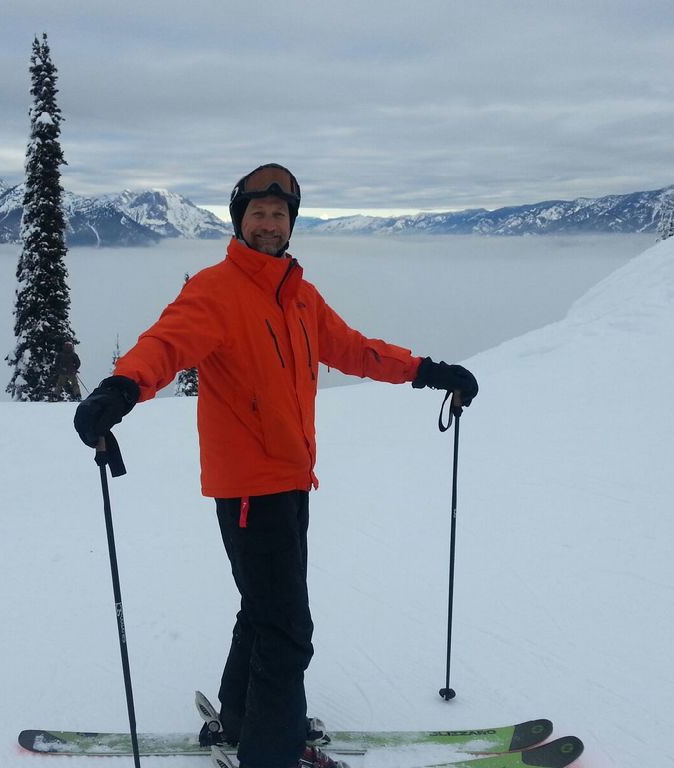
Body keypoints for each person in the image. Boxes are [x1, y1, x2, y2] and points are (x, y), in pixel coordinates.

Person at [73, 163, 478, 768]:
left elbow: (355, 348)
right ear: (240, 221)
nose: (270, 223)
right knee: (289, 631)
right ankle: (272, 752)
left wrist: (428, 372)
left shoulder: (298, 295)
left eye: (280, 214)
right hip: (247, 489)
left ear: (291, 225)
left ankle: (243, 719)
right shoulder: (215, 290)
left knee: (265, 611)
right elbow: (166, 343)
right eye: (259, 213)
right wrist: (120, 389)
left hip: (291, 481)